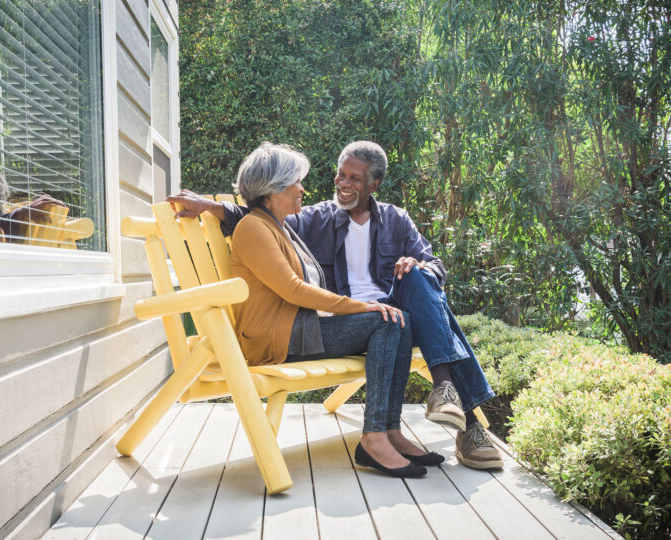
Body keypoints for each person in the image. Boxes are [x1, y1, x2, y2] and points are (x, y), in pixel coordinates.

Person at [169, 141, 504, 470]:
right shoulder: (309, 220)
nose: (341, 184)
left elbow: (435, 267)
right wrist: (211, 206)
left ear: (375, 183)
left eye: (354, 178)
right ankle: (451, 421)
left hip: (372, 310)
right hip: (323, 322)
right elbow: (263, 226)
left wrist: (417, 267)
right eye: (340, 175)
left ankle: (412, 413)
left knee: (419, 281)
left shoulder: (396, 220)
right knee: (396, 319)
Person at [222, 142, 443, 478]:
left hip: (299, 331)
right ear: (274, 189)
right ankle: (374, 438)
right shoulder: (254, 228)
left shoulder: (279, 226)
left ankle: (388, 430)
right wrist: (361, 307)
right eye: (296, 182)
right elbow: (293, 290)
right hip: (277, 341)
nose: (303, 189)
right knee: (386, 321)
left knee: (399, 319)